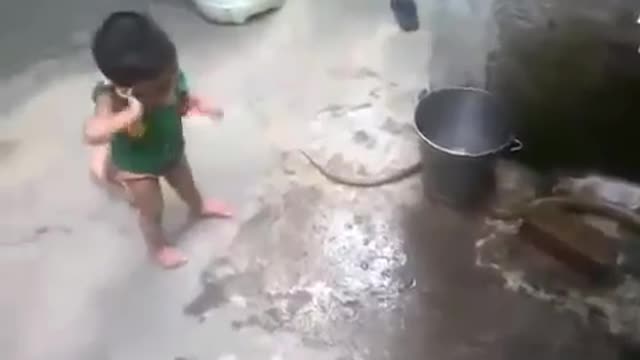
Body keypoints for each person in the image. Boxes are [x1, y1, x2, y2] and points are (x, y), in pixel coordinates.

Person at [85, 11, 232, 269]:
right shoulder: (110, 96)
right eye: (158, 91)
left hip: (171, 149)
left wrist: (199, 104)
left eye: (171, 79)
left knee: (187, 184)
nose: (167, 96)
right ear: (124, 90)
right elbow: (93, 131)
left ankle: (199, 206)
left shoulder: (166, 73)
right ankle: (158, 246)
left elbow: (183, 97)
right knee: (151, 210)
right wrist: (127, 115)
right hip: (137, 166)